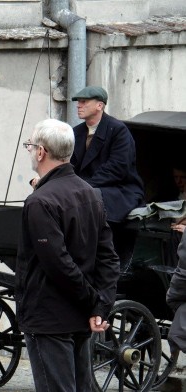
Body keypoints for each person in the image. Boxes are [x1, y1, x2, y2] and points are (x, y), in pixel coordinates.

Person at [17, 118, 120, 392]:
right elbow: (108, 257)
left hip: (49, 316)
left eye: (30, 146)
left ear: (41, 152)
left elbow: (57, 265)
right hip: (76, 316)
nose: (29, 152)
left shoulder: (41, 201)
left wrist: (94, 300)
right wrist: (98, 305)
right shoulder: (89, 193)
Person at [70, 86, 144, 270]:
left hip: (120, 189)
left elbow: (117, 168)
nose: (79, 105)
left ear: (100, 105)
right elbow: (67, 164)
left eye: (84, 101)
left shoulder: (118, 130)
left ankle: (98, 257)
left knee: (91, 198)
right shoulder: (76, 132)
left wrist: (81, 185)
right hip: (85, 188)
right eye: (78, 102)